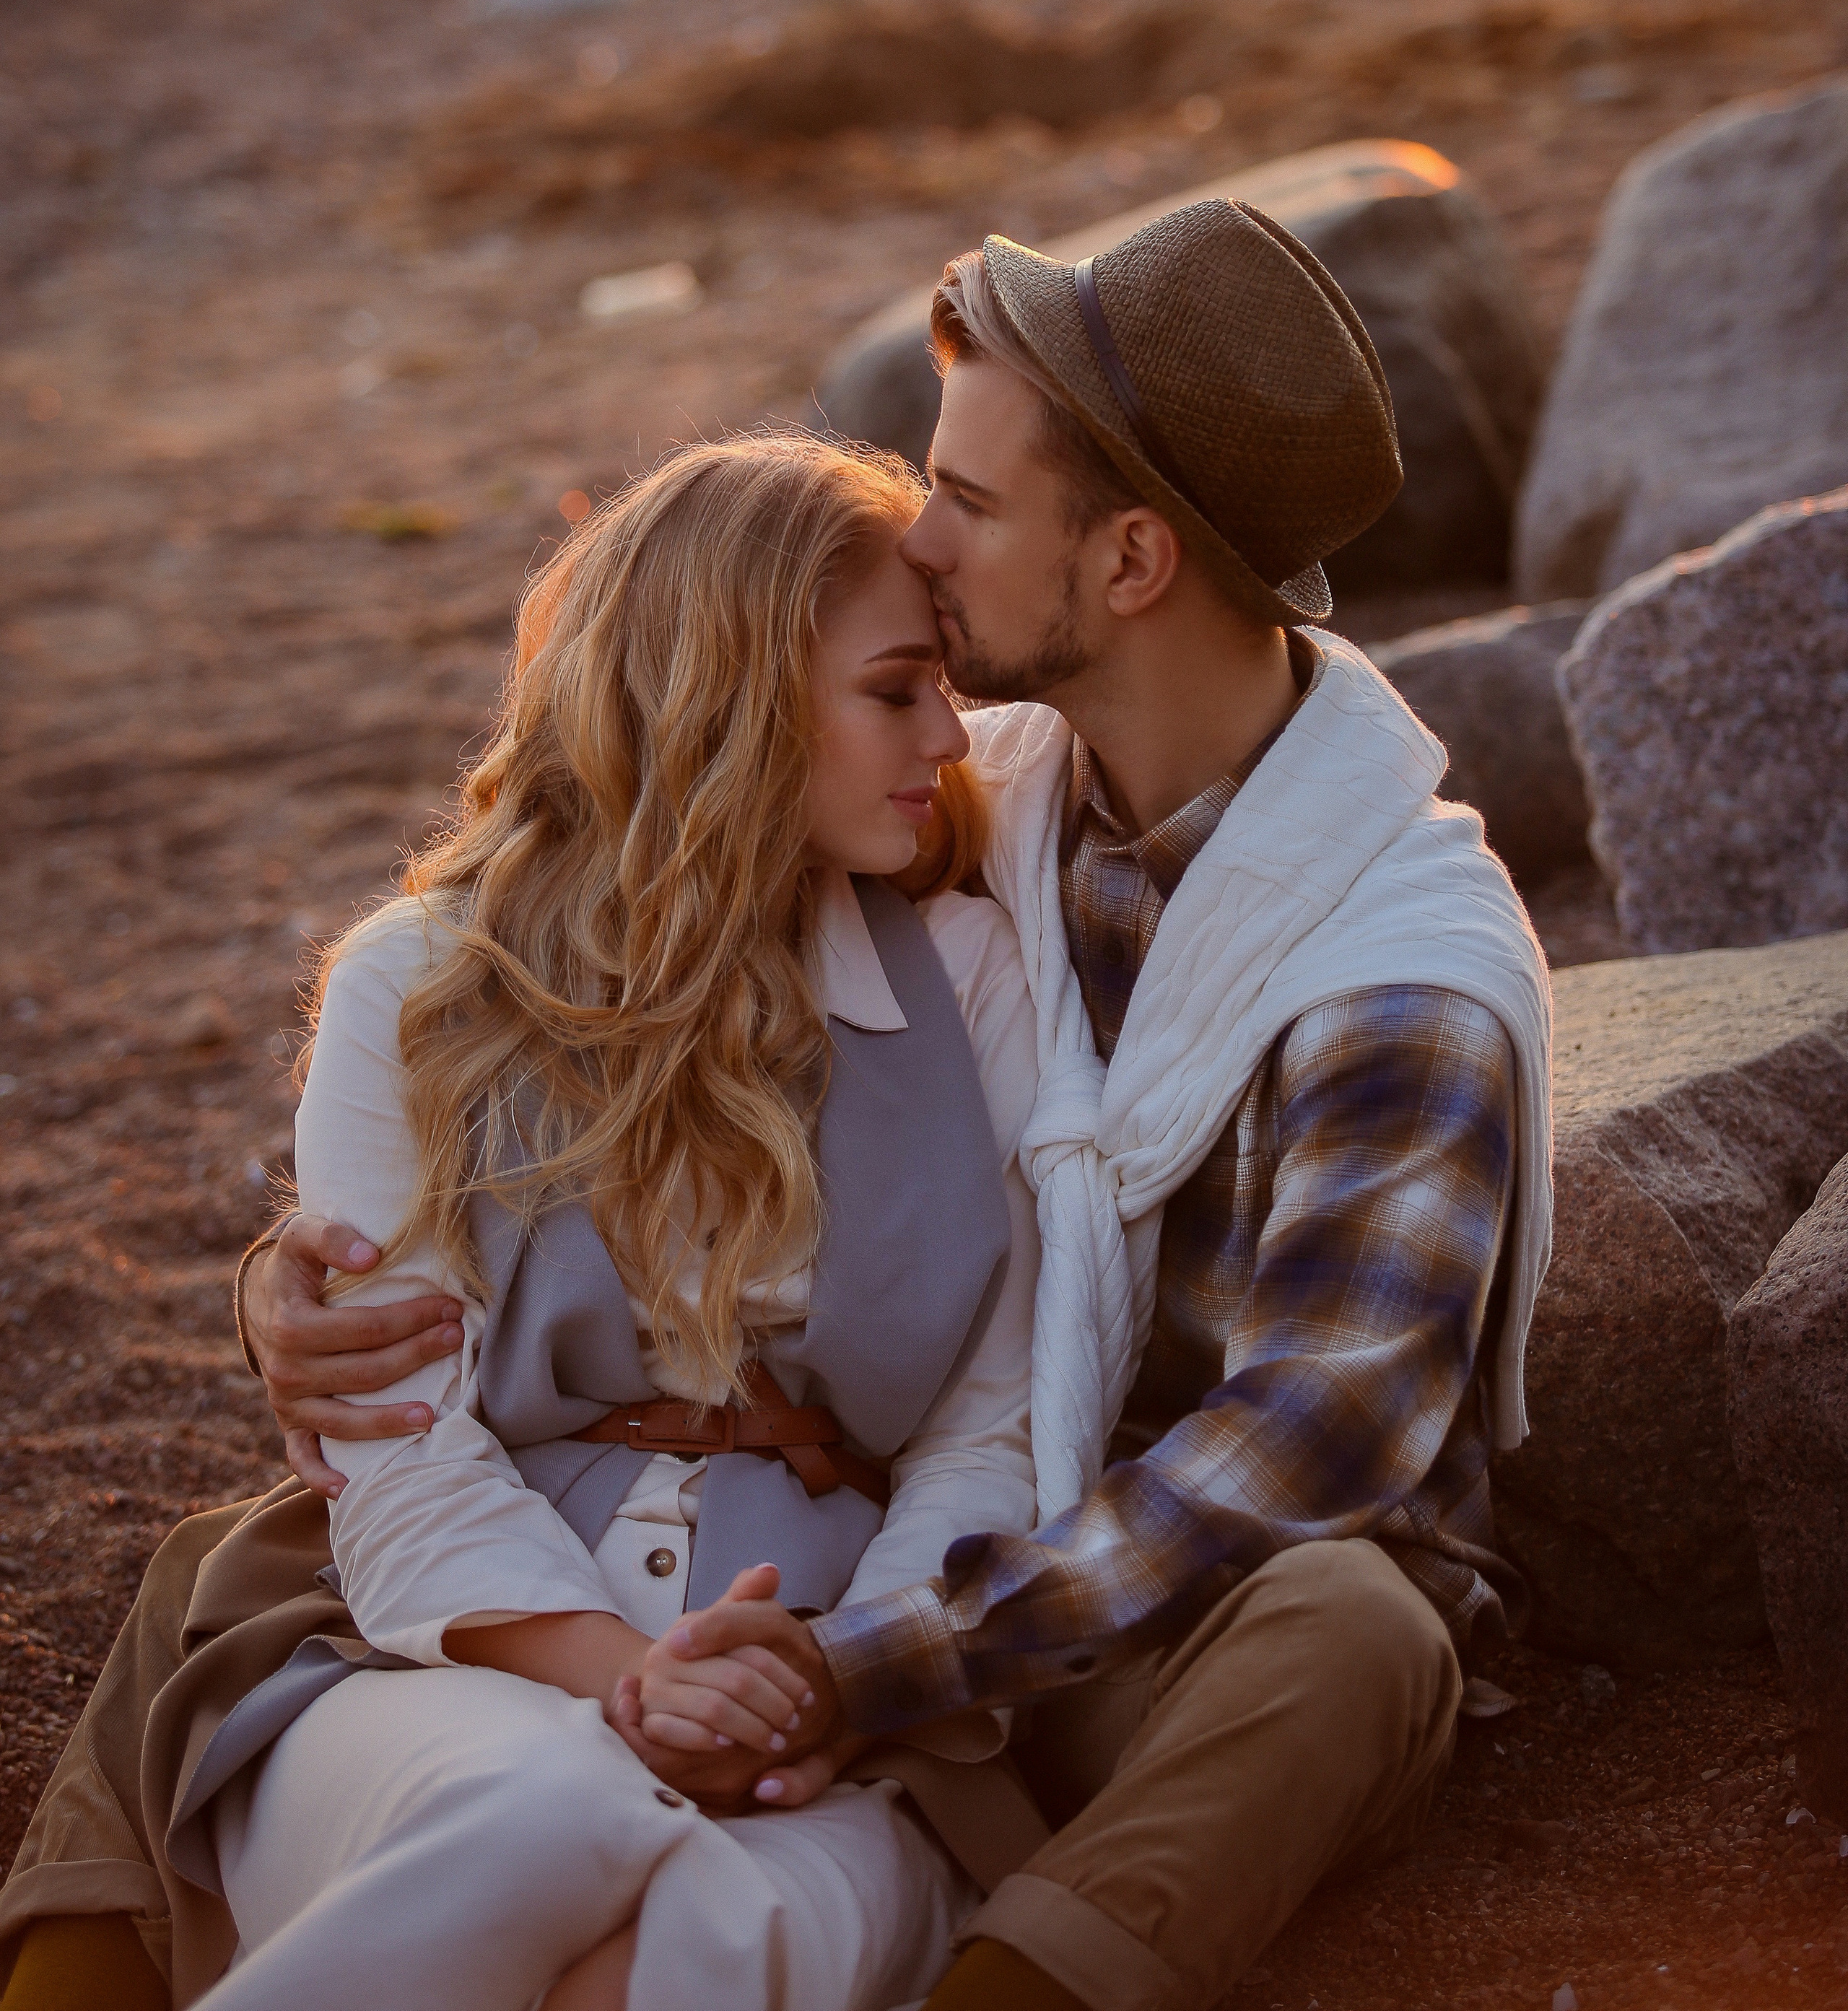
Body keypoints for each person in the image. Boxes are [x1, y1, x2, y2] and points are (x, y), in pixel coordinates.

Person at [230, 200, 1555, 2011]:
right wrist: (295, 1285)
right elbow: (652, 894)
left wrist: (854, 1668)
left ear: (1132, 561)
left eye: (968, 500)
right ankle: (91, 1927)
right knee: (261, 1552)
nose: (918, 541)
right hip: (882, 1557)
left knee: (1350, 1633)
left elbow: (1313, 1447)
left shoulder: (1393, 969)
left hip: (1143, 1606)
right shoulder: (995, 789)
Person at [0, 434, 1050, 2011]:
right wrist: (632, 1684)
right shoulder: (417, 986)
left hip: (828, 1719)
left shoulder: (976, 985)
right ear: (734, 701)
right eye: (895, 691)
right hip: (449, 1682)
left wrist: (823, 1681)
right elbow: (398, 1444)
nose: (951, 737)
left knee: (696, 1946)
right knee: (556, 1805)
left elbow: (992, 1432)